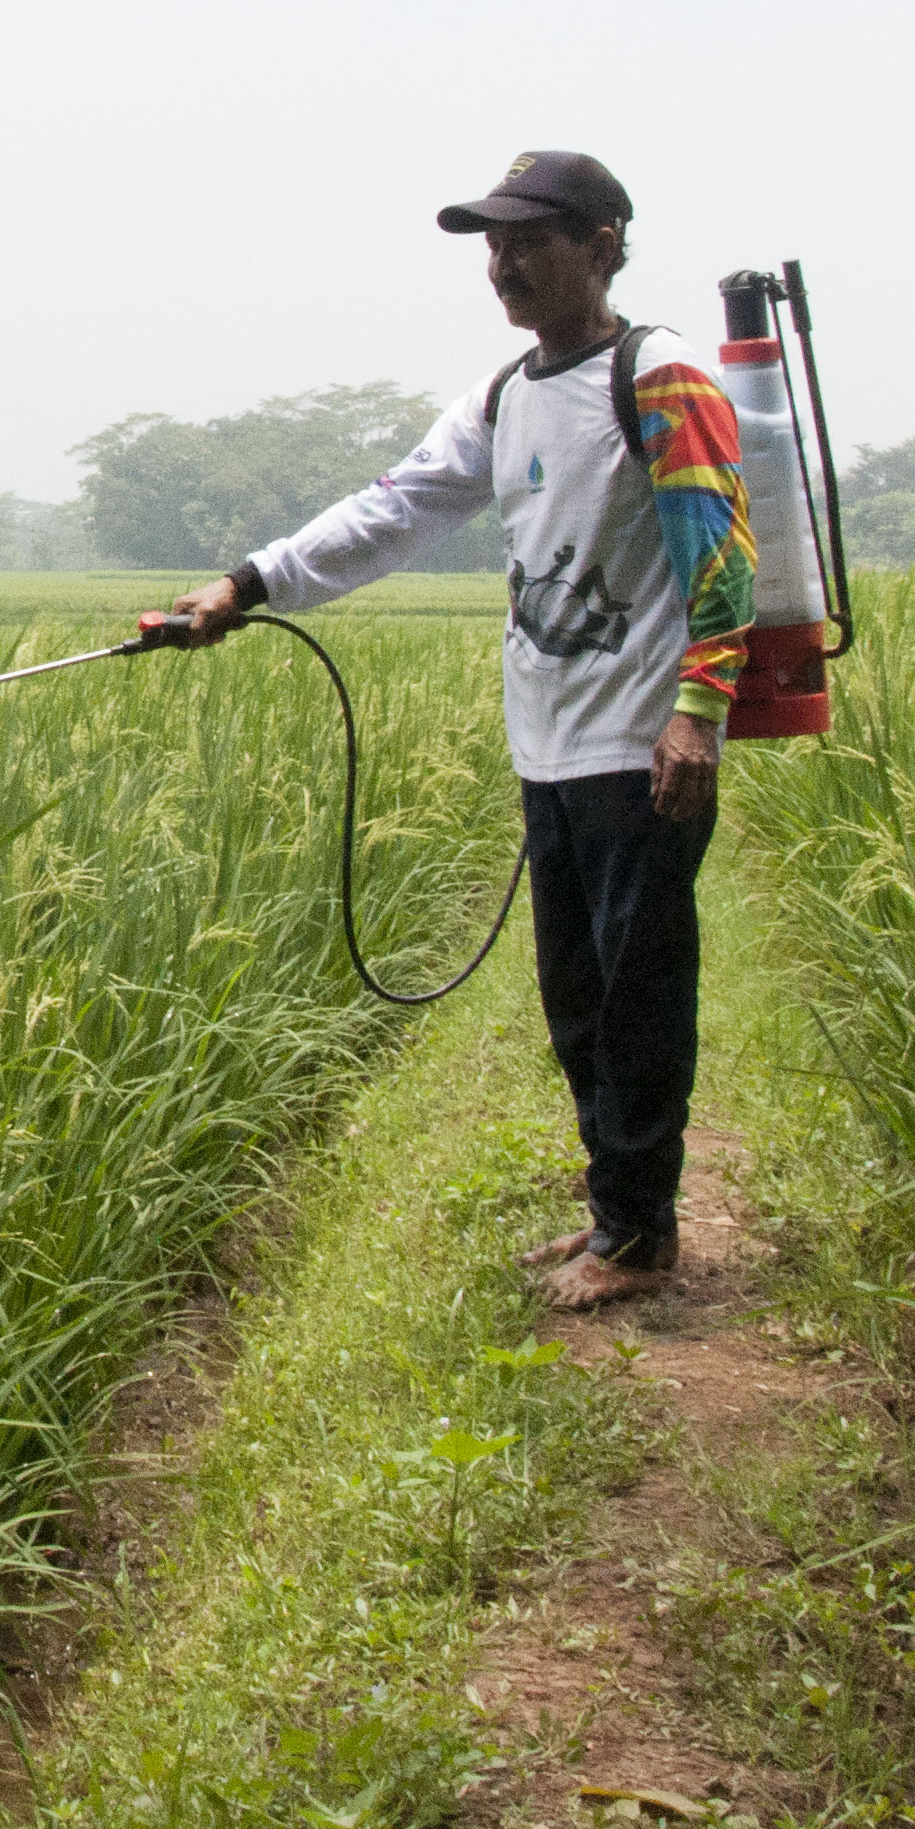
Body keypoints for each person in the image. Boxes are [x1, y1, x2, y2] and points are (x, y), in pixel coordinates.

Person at [148, 150, 752, 1311]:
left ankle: (639, 1234)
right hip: (550, 751)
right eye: (493, 244)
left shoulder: (660, 376)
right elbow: (394, 508)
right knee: (576, 1000)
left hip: (639, 750)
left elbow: (720, 551)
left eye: (529, 241)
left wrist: (698, 712)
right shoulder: (504, 396)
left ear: (602, 245)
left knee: (637, 998)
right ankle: (617, 1212)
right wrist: (246, 583)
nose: (503, 266)